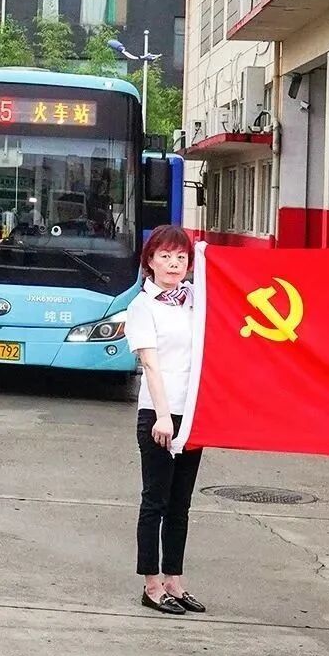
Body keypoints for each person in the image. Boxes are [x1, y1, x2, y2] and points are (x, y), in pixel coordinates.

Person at [124, 223, 206, 615]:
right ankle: (152, 585)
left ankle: (175, 580)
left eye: (181, 257)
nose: (173, 264)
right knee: (154, 501)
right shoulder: (143, 307)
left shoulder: (195, 301)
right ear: (150, 261)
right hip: (159, 414)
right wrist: (161, 416)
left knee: (180, 504)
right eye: (165, 256)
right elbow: (151, 366)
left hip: (191, 415)